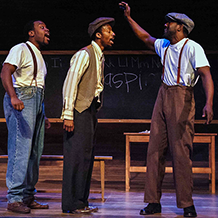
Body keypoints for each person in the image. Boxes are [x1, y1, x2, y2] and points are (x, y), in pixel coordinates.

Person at [119, 2, 214, 217]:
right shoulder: (163, 45)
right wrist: (128, 17)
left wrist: (209, 103)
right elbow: (144, 37)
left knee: (181, 151)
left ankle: (187, 204)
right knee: (154, 150)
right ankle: (153, 202)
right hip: (163, 95)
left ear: (180, 27)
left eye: (169, 22)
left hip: (183, 96)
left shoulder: (192, 47)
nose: (165, 24)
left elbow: (206, 75)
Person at [61, 17, 115, 214]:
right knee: (76, 158)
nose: (113, 34)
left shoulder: (99, 55)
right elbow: (70, 83)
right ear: (98, 35)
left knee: (86, 157)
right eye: (109, 31)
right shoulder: (84, 54)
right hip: (78, 111)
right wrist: (68, 114)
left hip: (89, 111)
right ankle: (72, 203)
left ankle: (81, 202)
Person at [0, 20, 51, 214]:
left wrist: (42, 113)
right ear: (31, 32)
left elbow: (38, 87)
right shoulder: (20, 48)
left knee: (35, 152)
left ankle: (28, 196)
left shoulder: (39, 55)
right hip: (23, 97)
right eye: (41, 27)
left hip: (37, 101)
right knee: (21, 148)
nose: (47, 30)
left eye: (46, 27)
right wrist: (13, 96)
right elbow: (5, 71)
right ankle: (14, 198)